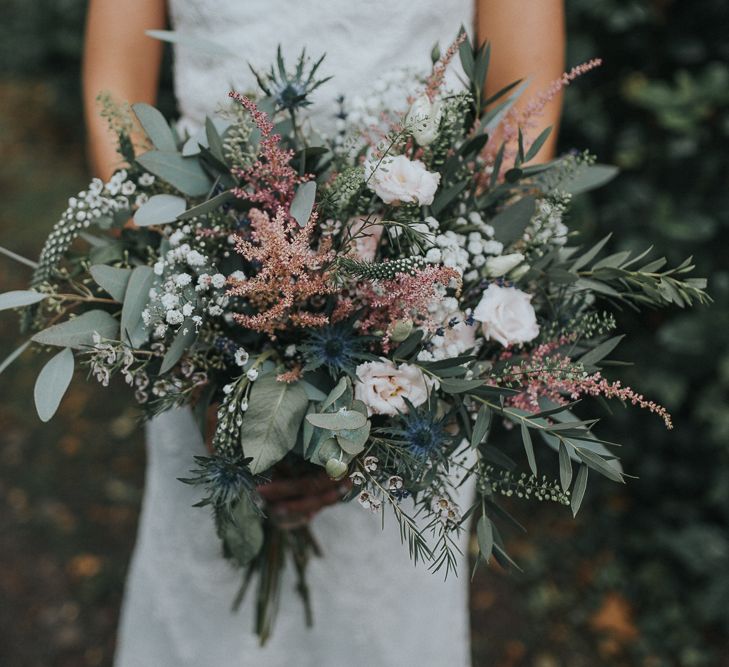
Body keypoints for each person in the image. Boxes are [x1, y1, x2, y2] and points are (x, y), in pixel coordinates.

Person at [82, 1, 565, 665]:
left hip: (415, 319)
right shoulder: (197, 313)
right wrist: (190, 329)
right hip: (208, 288)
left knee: (384, 617)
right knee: (207, 601)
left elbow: (523, 108)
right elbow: (114, 80)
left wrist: (416, 337)